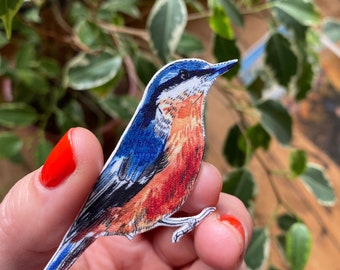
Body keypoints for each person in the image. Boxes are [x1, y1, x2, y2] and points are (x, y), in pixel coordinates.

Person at [0, 127, 253, 270]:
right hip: (114, 214)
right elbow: (130, 203)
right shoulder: (158, 134)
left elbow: (146, 215)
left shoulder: (185, 132)